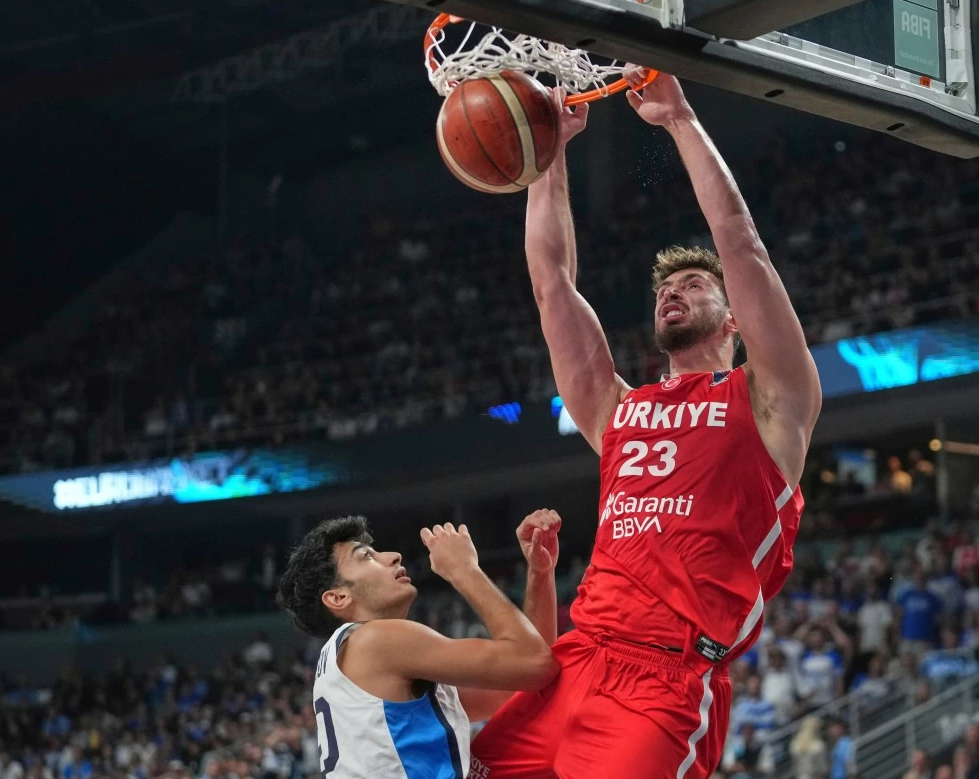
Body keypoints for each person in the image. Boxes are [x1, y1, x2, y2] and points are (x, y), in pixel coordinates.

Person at [470, 69, 820, 779]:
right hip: (575, 658)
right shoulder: (619, 410)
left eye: (693, 285)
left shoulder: (771, 396)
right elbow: (551, 279)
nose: (672, 291)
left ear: (732, 317)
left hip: (664, 682)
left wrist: (680, 122)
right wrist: (549, 153)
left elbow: (740, 243)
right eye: (665, 287)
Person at [276, 510, 562, 779]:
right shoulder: (375, 640)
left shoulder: (364, 661)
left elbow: (524, 682)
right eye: (366, 557)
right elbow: (534, 664)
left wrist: (540, 574)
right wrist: (464, 570)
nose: (393, 556)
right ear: (338, 598)